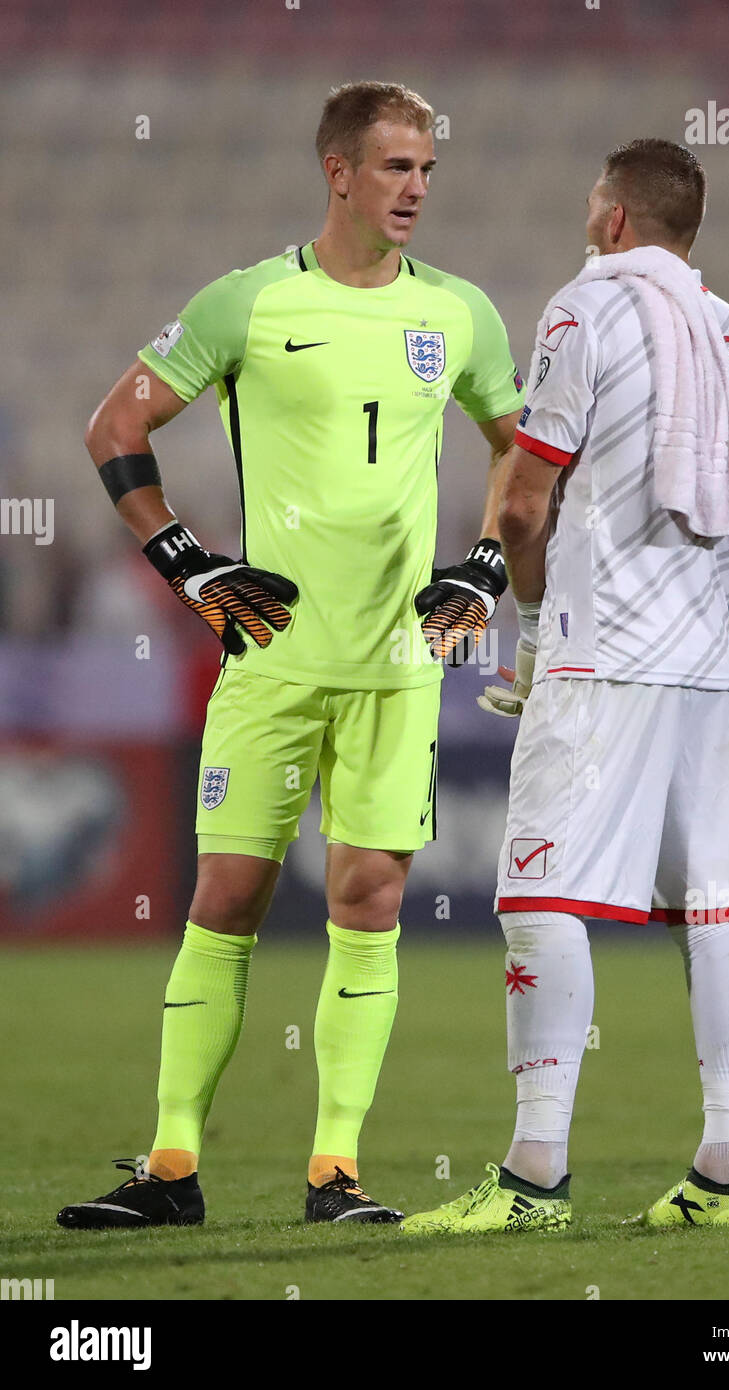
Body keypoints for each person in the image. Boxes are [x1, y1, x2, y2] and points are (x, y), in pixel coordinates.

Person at [59, 81, 524, 1230]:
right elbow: (114, 427)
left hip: (398, 662)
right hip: (267, 657)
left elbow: (522, 451)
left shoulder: (462, 314)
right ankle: (171, 1167)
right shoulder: (248, 302)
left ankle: (336, 1173)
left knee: (369, 902)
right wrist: (187, 563)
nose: (417, 188)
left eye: (428, 169)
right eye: (397, 168)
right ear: (339, 173)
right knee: (225, 895)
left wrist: (486, 564)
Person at [402, 138, 729, 1235]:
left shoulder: (584, 312)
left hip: (598, 650)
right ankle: (727, 1166)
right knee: (713, 901)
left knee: (535, 895)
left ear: (613, 219)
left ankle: (534, 1177)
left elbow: (524, 501)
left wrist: (524, 619)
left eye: (589, 202)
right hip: (704, 657)